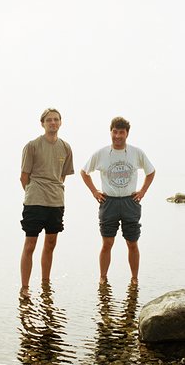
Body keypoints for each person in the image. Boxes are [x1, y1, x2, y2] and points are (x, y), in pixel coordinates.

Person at [80, 116, 155, 285]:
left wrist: (142, 191)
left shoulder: (137, 152)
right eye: (115, 132)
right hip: (109, 202)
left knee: (132, 243)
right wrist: (94, 192)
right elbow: (84, 172)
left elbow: (151, 172)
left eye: (121, 132)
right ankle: (103, 277)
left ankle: (134, 279)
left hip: (130, 202)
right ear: (111, 132)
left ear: (127, 134)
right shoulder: (101, 153)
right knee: (107, 242)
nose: (118, 136)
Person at [20, 108, 74, 296]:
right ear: (42, 123)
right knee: (30, 244)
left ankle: (45, 284)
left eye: (56, 119)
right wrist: (33, 195)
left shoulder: (66, 148)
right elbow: (24, 177)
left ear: (60, 122)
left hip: (56, 202)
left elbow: (61, 176)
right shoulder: (32, 146)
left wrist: (54, 191)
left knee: (50, 243)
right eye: (49, 120)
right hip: (34, 201)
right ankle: (25, 287)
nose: (53, 122)